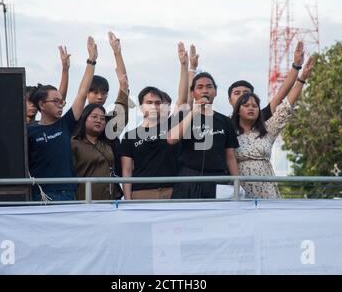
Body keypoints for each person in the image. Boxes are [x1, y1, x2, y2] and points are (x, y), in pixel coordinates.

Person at [233, 56, 315, 199]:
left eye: (254, 106)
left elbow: (286, 106)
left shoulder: (266, 129)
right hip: (240, 190)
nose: (251, 108)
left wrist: (302, 79)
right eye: (246, 106)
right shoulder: (229, 129)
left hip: (266, 188)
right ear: (238, 110)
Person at [27, 37, 98, 201]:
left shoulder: (65, 124)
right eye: (55, 102)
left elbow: (81, 93)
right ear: (42, 105)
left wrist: (91, 61)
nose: (60, 105)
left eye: (62, 102)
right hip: (39, 194)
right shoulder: (29, 131)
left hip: (66, 193)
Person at [120, 42, 189, 200]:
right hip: (141, 193)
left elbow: (182, 100)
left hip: (172, 191)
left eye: (158, 103)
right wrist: (128, 199)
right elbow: (127, 170)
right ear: (141, 106)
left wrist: (184, 66)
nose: (154, 106)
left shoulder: (171, 125)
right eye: (149, 103)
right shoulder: (130, 136)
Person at [168, 71, 240, 199]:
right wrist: (192, 113)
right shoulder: (183, 116)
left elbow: (230, 157)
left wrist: (237, 183)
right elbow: (171, 140)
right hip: (189, 179)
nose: (205, 91)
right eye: (200, 87)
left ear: (216, 92)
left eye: (209, 87)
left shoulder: (225, 121)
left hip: (218, 180)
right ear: (193, 93)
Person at [228, 42, 305, 121]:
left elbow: (280, 95)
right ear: (230, 100)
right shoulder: (223, 124)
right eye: (237, 93)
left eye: (246, 93)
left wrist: (296, 65)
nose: (242, 96)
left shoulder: (261, 119)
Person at [71, 104, 123, 200]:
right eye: (94, 117)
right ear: (84, 118)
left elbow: (121, 116)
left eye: (102, 118)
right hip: (85, 199)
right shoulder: (74, 143)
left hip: (111, 199)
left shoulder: (109, 143)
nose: (99, 120)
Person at [86, 32, 131, 139]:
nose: (100, 97)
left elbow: (124, 86)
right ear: (86, 92)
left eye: (104, 93)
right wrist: (91, 59)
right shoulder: (76, 118)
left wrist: (117, 53)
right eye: (95, 92)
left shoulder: (109, 122)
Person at [25, 46, 71, 125]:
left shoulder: (41, 127)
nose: (33, 105)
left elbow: (59, 97)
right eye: (29, 101)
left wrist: (65, 69)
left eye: (34, 102)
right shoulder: (14, 127)